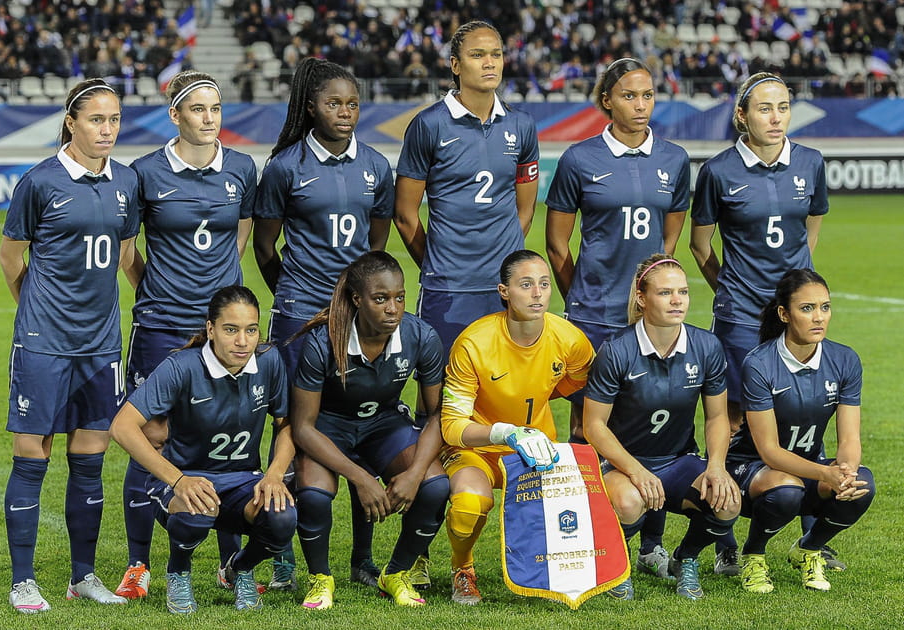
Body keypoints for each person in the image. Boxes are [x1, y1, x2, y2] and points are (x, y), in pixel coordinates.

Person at [116, 70, 258, 600]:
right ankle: (138, 566)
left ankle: (229, 563)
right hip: (160, 325)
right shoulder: (144, 173)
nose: (209, 119)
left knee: (227, 442)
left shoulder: (242, 168)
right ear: (174, 115)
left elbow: (240, 237)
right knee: (149, 437)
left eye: (215, 109)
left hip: (223, 331)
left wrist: (218, 304)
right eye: (197, 109)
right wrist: (159, 290)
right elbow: (130, 253)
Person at [545, 57, 690, 578]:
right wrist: (582, 297)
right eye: (630, 95)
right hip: (592, 317)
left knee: (656, 426)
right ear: (607, 100)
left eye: (648, 95)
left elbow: (669, 240)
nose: (641, 105)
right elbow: (557, 242)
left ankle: (650, 542)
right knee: (587, 429)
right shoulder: (580, 159)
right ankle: (588, 540)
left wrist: (651, 292)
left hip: (651, 319)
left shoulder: (673, 159)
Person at [0, 78, 140, 614]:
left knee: (89, 459)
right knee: (32, 456)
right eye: (96, 120)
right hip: (44, 344)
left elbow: (127, 253)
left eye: (114, 120)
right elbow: (12, 259)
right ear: (71, 123)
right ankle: (22, 581)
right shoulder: (39, 183)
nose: (107, 130)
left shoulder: (126, 181)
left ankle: (83, 576)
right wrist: (35, 311)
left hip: (101, 344)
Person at [253, 57, 394, 589]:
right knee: (290, 428)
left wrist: (353, 302)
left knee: (360, 421)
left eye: (353, 104)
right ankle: (283, 552)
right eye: (334, 103)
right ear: (311, 106)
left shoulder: (376, 166)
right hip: (298, 316)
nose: (345, 113)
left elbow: (375, 246)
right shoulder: (285, 167)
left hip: (358, 319)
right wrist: (293, 296)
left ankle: (361, 559)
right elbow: (266, 247)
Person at [690, 71, 829, 575]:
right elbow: (700, 245)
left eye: (784, 107)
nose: (776, 117)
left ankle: (813, 534)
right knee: (731, 417)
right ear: (741, 116)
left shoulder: (811, 163)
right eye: (765, 108)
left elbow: (809, 233)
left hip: (792, 315)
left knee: (805, 408)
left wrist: (795, 297)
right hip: (741, 318)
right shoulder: (719, 171)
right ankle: (725, 532)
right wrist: (732, 290)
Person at [110, 285, 297, 613]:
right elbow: (122, 427)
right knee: (196, 508)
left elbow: (286, 426)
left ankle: (239, 568)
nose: (242, 341)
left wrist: (274, 475)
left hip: (242, 481)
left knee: (282, 516)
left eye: (251, 330)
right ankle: (179, 571)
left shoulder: (269, 362)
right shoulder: (181, 366)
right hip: (184, 481)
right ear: (210, 329)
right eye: (231, 330)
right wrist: (179, 480)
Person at [289, 251, 450, 610]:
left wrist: (414, 473)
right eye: (380, 299)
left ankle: (396, 573)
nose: (392, 308)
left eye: (399, 298)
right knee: (314, 495)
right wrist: (362, 478)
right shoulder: (322, 341)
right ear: (357, 299)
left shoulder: (421, 336)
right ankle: (320, 579)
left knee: (436, 485)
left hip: (383, 424)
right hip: (328, 428)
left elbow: (437, 415)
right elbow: (302, 427)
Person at [440, 250, 595, 605]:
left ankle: (550, 572)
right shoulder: (473, 343)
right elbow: (451, 427)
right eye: (526, 285)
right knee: (469, 504)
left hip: (537, 450)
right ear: (504, 291)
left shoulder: (569, 339)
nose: (538, 293)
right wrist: (505, 432)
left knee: (563, 514)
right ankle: (463, 569)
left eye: (543, 284)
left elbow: (578, 382)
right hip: (476, 449)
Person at [582, 254, 740, 601]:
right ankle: (615, 563)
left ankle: (686, 559)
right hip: (622, 464)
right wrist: (635, 471)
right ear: (642, 298)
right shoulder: (617, 349)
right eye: (665, 293)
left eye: (682, 292)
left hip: (677, 459)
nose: (677, 300)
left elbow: (716, 417)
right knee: (628, 503)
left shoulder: (706, 346)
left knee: (728, 500)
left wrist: (716, 467)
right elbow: (593, 426)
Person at [394, 20, 540, 355]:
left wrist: (504, 261)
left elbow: (526, 209)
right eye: (477, 55)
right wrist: (437, 264)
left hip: (505, 287)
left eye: (496, 54)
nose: (490, 62)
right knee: (442, 393)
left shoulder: (521, 125)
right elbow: (404, 214)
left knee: (504, 391)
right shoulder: (429, 125)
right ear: (456, 65)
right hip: (448, 289)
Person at [726, 269, 874, 594]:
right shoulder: (759, 364)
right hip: (753, 470)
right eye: (807, 308)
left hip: (807, 469)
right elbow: (769, 451)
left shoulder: (845, 360)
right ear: (784, 314)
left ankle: (809, 549)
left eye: (825, 307)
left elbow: (849, 438)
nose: (818, 317)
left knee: (864, 483)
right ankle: (753, 554)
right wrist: (826, 471)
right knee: (786, 488)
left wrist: (845, 472)